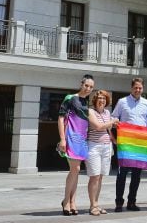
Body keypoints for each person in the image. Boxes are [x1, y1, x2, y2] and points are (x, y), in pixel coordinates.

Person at [111, 77, 147, 212]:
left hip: (139, 145)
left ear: (142, 88)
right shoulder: (122, 102)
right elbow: (113, 117)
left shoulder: (146, 103)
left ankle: (132, 202)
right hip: (125, 145)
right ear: (131, 88)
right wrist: (116, 123)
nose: (138, 90)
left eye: (140, 88)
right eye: (135, 87)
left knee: (136, 175)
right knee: (121, 175)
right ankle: (118, 202)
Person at [58, 74, 95, 216]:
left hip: (82, 140)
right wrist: (62, 139)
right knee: (76, 168)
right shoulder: (70, 98)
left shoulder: (86, 102)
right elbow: (61, 118)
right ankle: (66, 201)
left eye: (91, 87)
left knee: (76, 171)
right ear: (81, 84)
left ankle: (73, 202)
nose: (88, 89)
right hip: (70, 138)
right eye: (86, 85)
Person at [86, 89, 118, 216]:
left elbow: (108, 129)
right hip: (94, 147)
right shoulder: (90, 112)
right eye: (99, 98)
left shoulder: (107, 113)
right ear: (95, 100)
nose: (102, 101)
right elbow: (98, 126)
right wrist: (113, 121)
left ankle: (96, 204)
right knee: (94, 177)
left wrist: (114, 139)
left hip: (106, 147)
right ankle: (92, 205)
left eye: (104, 99)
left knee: (100, 177)